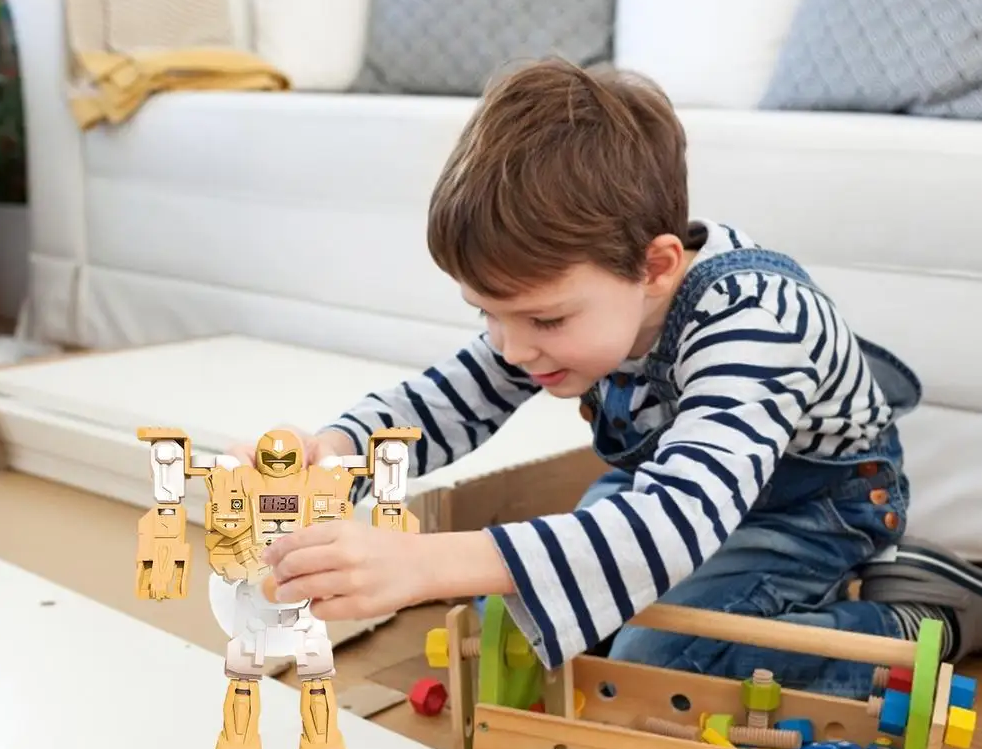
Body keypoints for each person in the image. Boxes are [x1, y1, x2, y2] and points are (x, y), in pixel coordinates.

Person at [229, 57, 982, 700]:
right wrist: (335, 454)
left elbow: (674, 519)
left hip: (808, 509)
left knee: (652, 669)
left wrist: (426, 562)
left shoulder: (754, 321)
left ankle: (913, 620)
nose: (511, 348)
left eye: (544, 320)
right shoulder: (568, 305)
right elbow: (444, 400)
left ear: (655, 266)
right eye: (487, 313)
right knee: (545, 623)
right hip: (676, 486)